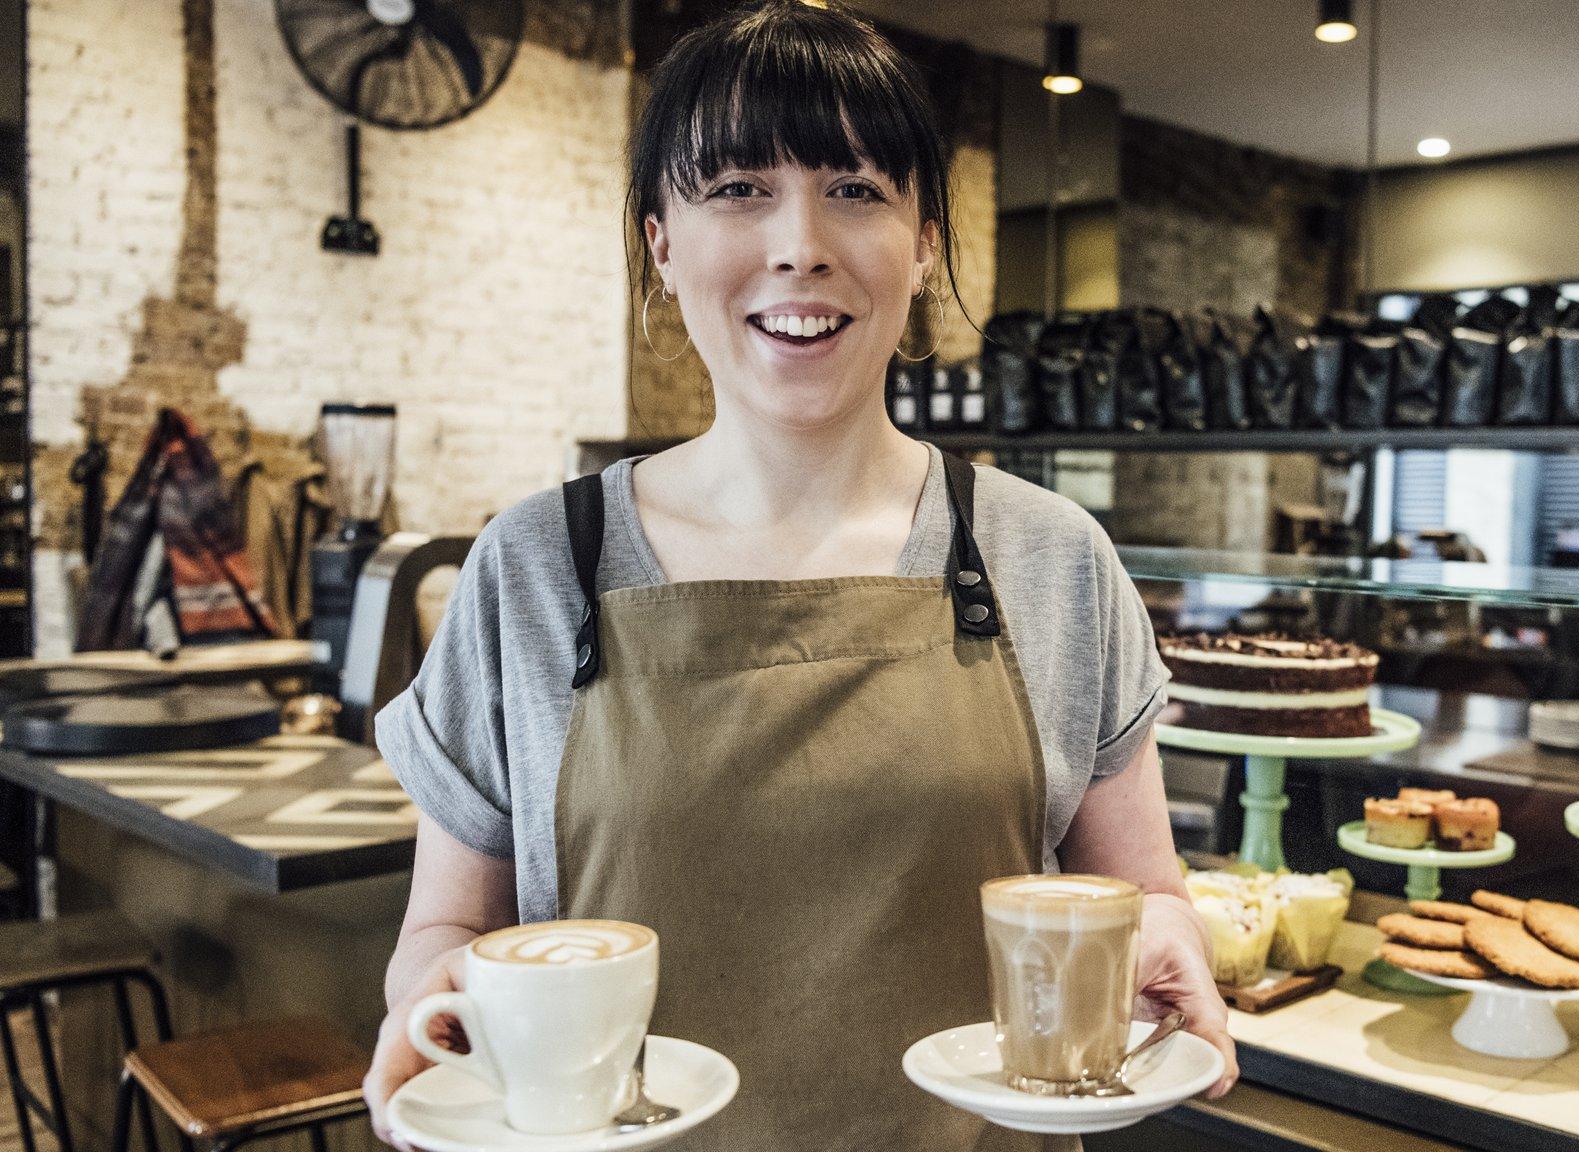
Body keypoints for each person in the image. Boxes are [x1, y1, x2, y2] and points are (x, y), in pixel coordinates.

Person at [360, 3, 1235, 1148]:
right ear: (661, 240)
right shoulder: (532, 566)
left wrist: (1170, 938)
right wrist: (427, 1000)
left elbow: (1144, 896)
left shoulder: (1049, 557)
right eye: (735, 189)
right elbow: (444, 932)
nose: (798, 243)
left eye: (856, 189)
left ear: (924, 240)